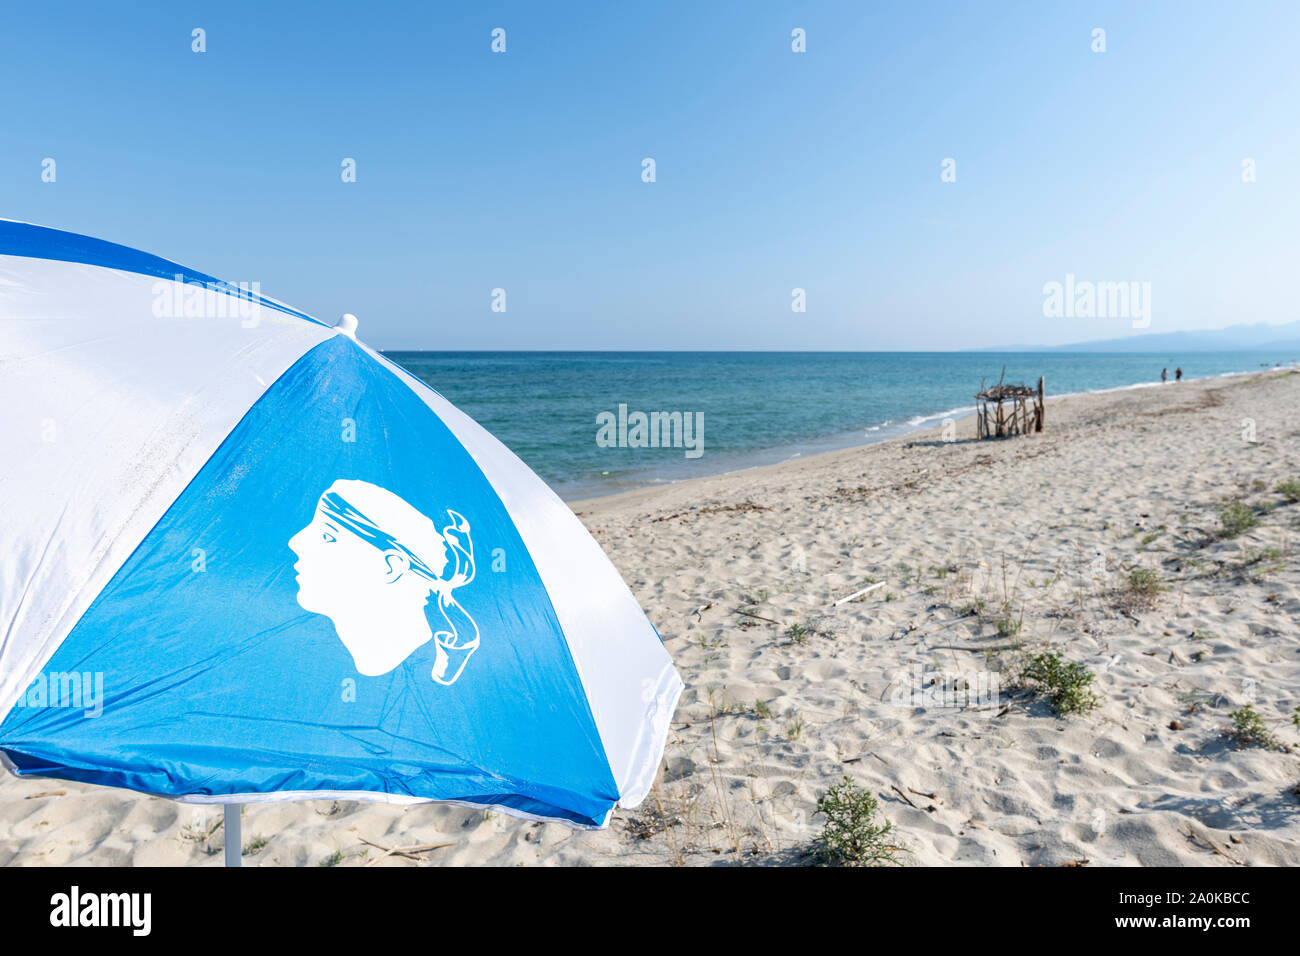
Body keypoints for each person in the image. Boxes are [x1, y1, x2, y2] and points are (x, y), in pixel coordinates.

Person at [289, 479, 479, 685]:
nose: (296, 542)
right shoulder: (307, 653)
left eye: (327, 536)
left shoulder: (411, 679)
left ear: (392, 567)